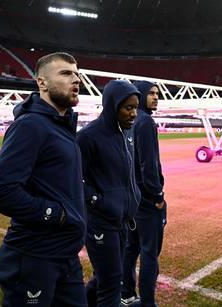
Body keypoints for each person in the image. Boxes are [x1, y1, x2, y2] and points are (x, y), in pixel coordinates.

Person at [0, 52, 87, 306]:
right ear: (42, 83)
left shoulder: (61, 126)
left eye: (77, 74)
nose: (76, 79)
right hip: (34, 256)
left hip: (65, 255)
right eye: (66, 74)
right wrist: (54, 214)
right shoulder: (31, 125)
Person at [77, 79, 142, 306]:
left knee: (105, 277)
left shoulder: (128, 133)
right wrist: (99, 200)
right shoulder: (88, 136)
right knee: (111, 283)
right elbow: (75, 180)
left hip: (123, 220)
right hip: (101, 222)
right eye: (128, 108)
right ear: (113, 106)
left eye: (136, 107)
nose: (134, 114)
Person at [121, 81, 167, 307]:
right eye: (150, 93)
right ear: (139, 96)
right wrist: (158, 196)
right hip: (147, 201)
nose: (156, 97)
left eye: (157, 94)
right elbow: (149, 164)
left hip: (131, 198)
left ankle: (127, 293)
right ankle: (147, 302)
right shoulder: (146, 122)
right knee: (149, 253)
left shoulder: (128, 119)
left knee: (130, 248)